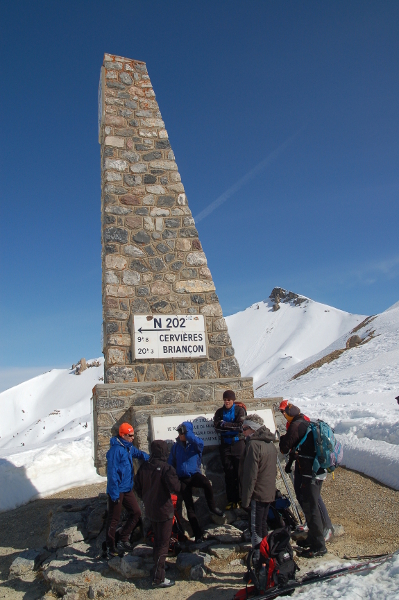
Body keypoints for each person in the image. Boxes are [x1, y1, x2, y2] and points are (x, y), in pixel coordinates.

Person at [279, 403, 329, 558]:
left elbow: (285, 447)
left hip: (310, 472)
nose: (283, 415)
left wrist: (282, 438)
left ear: (289, 414)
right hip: (314, 469)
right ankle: (313, 538)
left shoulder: (295, 425)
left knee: (311, 506)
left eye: (284, 413)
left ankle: (319, 546)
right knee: (308, 503)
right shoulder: (305, 422)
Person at [168, 421, 225, 543]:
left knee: (206, 484)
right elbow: (170, 462)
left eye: (182, 432)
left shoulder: (195, 444)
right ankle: (198, 534)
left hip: (194, 475)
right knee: (189, 507)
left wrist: (188, 434)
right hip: (183, 478)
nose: (180, 435)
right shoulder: (176, 446)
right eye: (179, 432)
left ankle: (213, 507)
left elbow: (200, 443)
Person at [135, 440, 181, 588]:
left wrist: (145, 497)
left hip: (150, 509)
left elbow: (137, 486)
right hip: (164, 509)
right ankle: (159, 577)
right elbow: (175, 487)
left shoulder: (144, 467)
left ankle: (158, 566)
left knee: (157, 540)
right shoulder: (166, 468)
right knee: (163, 543)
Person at [105, 422, 149, 556]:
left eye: (133, 435)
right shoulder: (115, 451)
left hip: (127, 488)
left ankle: (123, 538)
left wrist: (149, 458)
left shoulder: (128, 447)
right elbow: (112, 473)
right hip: (117, 490)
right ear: (123, 435)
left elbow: (138, 453)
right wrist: (114, 494)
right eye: (130, 435)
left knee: (136, 512)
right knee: (114, 518)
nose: (133, 438)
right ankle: (110, 547)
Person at [240, 414, 277, 548]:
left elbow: (251, 475)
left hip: (257, 492)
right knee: (263, 524)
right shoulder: (270, 443)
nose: (242, 432)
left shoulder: (253, 445)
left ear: (253, 429)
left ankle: (259, 556)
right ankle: (266, 552)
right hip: (268, 491)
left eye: (245, 429)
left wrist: (246, 499)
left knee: (256, 527)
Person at [214, 390, 246, 509]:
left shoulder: (239, 410)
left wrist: (224, 425)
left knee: (240, 472)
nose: (227, 402)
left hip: (238, 444)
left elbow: (240, 426)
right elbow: (217, 427)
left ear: (233, 400)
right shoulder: (219, 412)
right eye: (225, 400)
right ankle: (232, 500)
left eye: (229, 400)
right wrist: (230, 426)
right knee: (229, 473)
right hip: (225, 446)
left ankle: (243, 499)